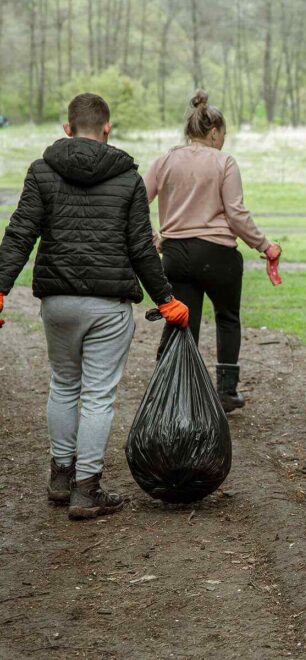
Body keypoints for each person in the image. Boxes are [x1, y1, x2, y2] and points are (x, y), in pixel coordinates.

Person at [0, 93, 189, 520]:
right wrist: (167, 299)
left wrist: (0, 286)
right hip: (108, 306)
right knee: (99, 396)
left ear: (67, 128)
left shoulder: (41, 171)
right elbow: (141, 249)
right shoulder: (128, 179)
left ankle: (60, 477)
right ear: (107, 128)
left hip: (58, 303)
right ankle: (88, 490)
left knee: (63, 385)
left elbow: (20, 234)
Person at [144, 90, 282, 413]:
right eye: (223, 136)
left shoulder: (165, 160)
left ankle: (179, 391)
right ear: (215, 132)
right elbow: (236, 213)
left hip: (176, 254)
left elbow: (136, 200)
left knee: (183, 322)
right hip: (219, 255)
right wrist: (264, 245)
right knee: (227, 317)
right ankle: (227, 392)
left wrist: (154, 237)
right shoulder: (224, 162)